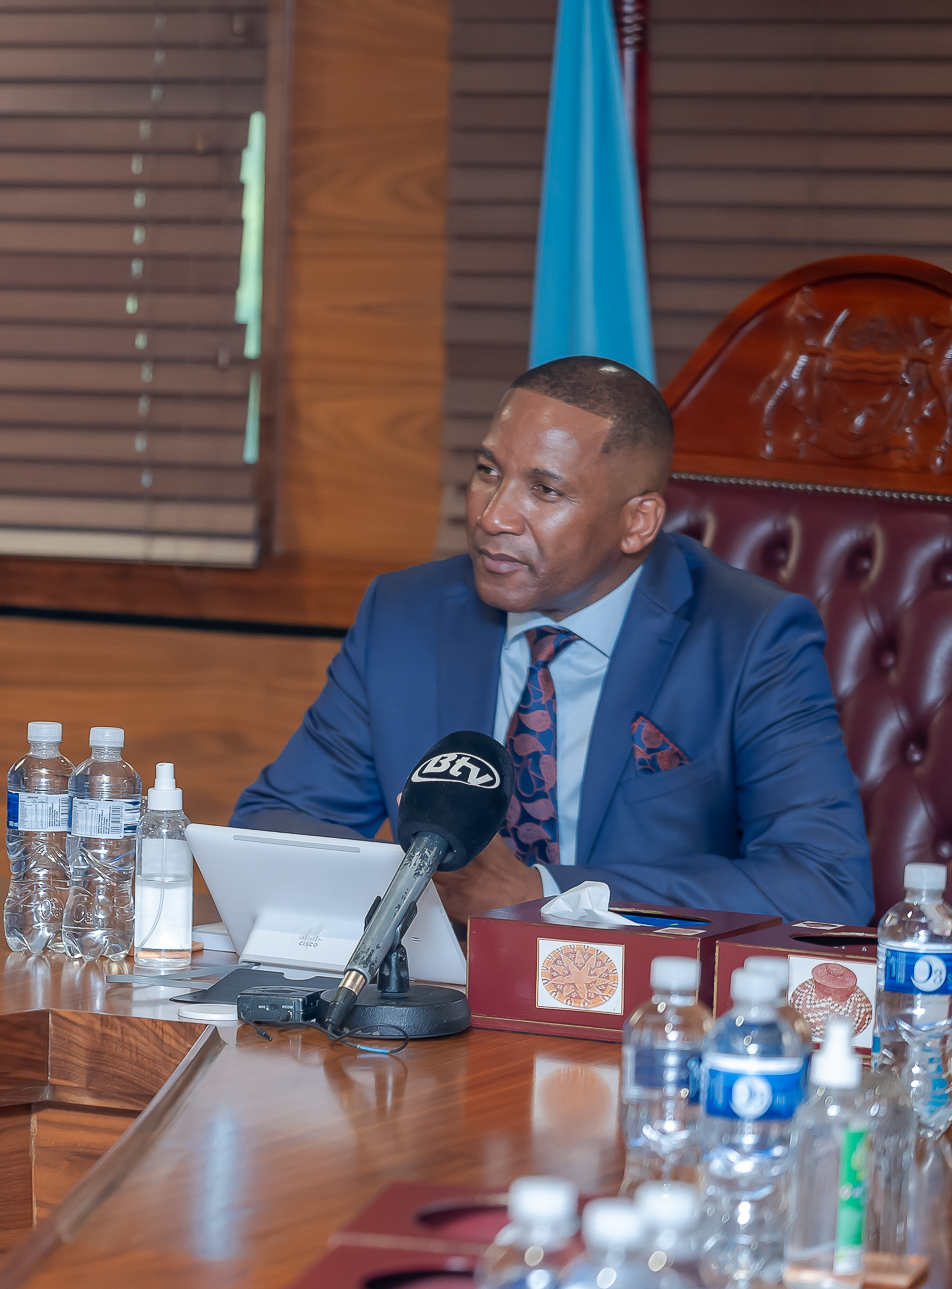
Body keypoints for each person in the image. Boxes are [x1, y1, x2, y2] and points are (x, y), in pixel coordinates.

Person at [232, 356, 875, 925]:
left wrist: (547, 894)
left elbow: (824, 884)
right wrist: (418, 897)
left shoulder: (751, 637)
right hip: (436, 999)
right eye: (488, 471)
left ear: (637, 522)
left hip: (638, 1015)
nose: (493, 517)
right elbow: (274, 827)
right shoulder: (407, 613)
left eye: (544, 490)